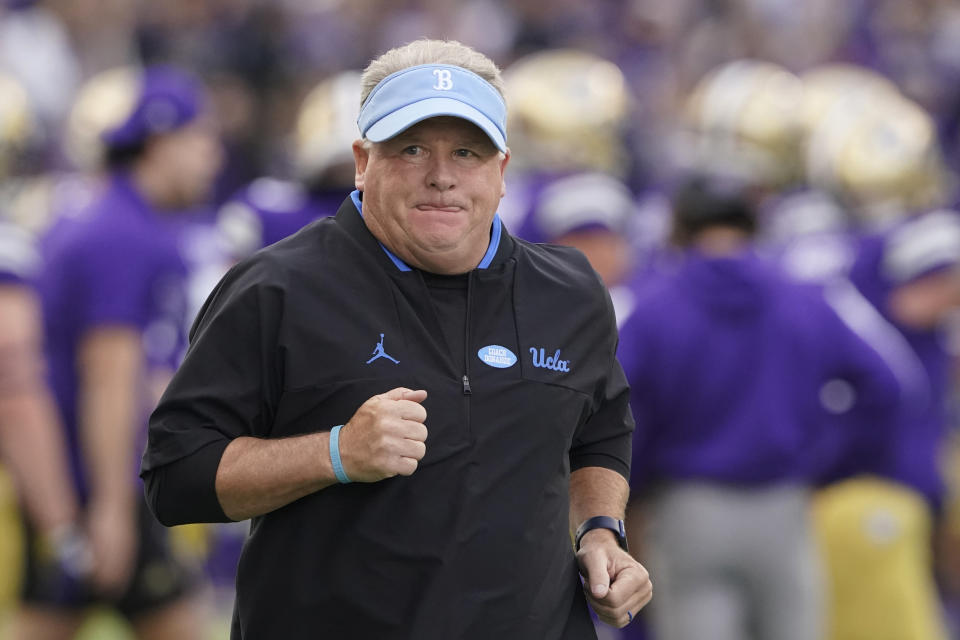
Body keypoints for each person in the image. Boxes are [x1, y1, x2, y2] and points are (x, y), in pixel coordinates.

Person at [140, 38, 652, 639]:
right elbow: (176, 479)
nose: (441, 177)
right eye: (411, 149)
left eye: (467, 151)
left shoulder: (569, 291)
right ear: (362, 159)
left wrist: (599, 530)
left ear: (502, 170)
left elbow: (599, 432)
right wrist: (335, 453)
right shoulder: (277, 288)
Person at [617, 174, 902, 640]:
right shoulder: (802, 298)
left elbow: (618, 408)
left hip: (689, 509)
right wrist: (826, 462)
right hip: (784, 505)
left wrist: (634, 493)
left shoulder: (654, 306)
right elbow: (884, 387)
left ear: (681, 228)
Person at [12, 65, 222, 640]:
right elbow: (110, 378)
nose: (214, 156)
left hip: (89, 478)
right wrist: (111, 504)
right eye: (201, 137)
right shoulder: (120, 235)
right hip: (96, 481)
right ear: (160, 142)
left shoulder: (117, 221)